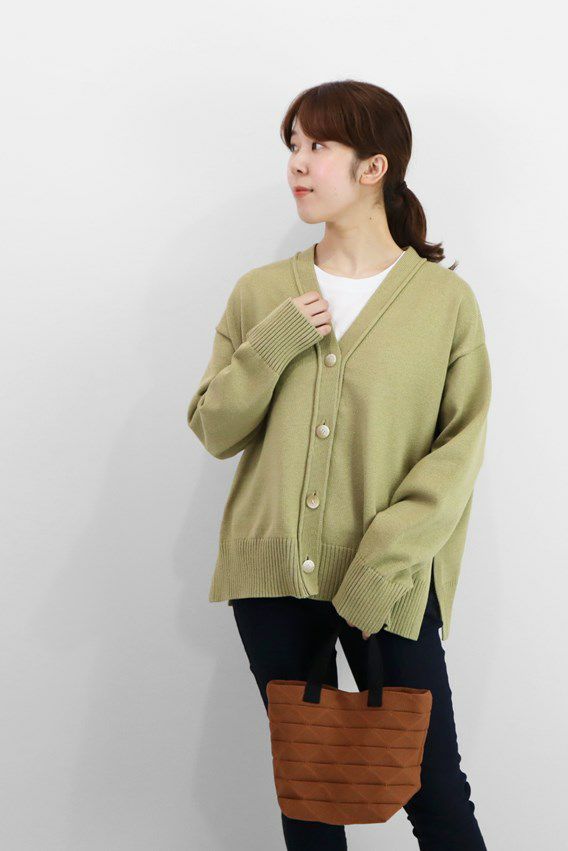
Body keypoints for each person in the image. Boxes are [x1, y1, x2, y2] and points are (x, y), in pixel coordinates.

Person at [187, 79, 492, 850]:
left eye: (317, 145)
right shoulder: (262, 294)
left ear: (373, 167)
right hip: (271, 580)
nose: (297, 162)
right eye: (292, 145)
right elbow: (213, 428)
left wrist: (380, 564)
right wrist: (272, 345)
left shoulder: (443, 303)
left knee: (435, 790)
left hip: (388, 579)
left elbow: (457, 450)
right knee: (310, 795)